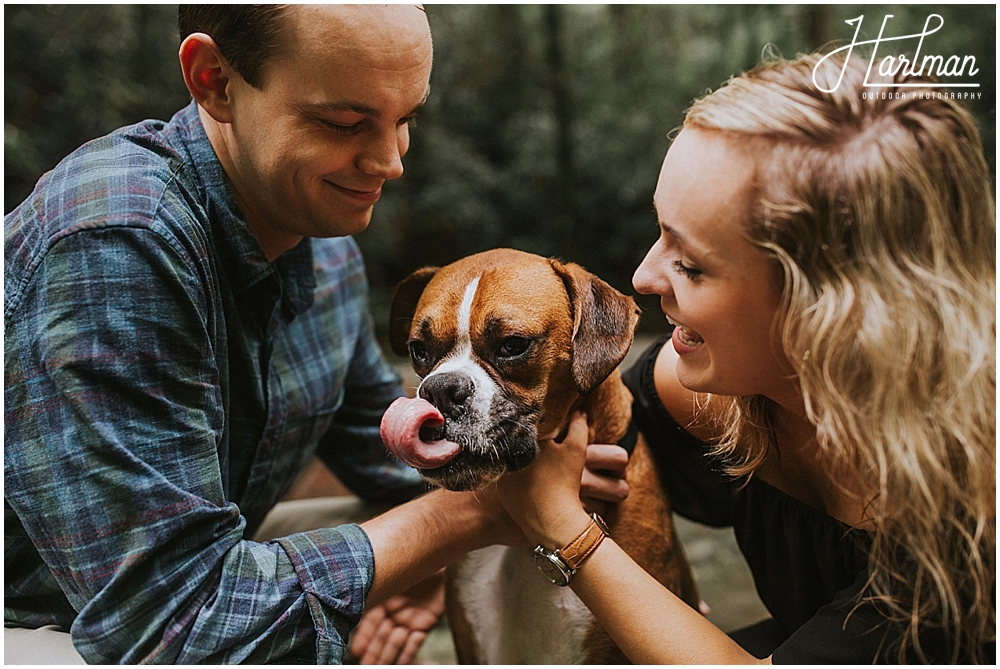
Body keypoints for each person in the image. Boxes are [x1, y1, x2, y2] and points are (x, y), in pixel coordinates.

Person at [4, 5, 628, 664]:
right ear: (215, 80)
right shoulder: (116, 241)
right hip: (48, 616)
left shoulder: (321, 244)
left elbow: (391, 459)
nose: (391, 163)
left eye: (406, 119)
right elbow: (170, 628)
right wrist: (477, 515)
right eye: (344, 122)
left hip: (179, 573)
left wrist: (552, 475)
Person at [496, 52, 996, 663]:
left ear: (830, 311)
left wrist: (564, 534)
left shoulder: (967, 525)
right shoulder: (712, 390)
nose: (643, 277)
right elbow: (581, 434)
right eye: (660, 233)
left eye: (692, 265)